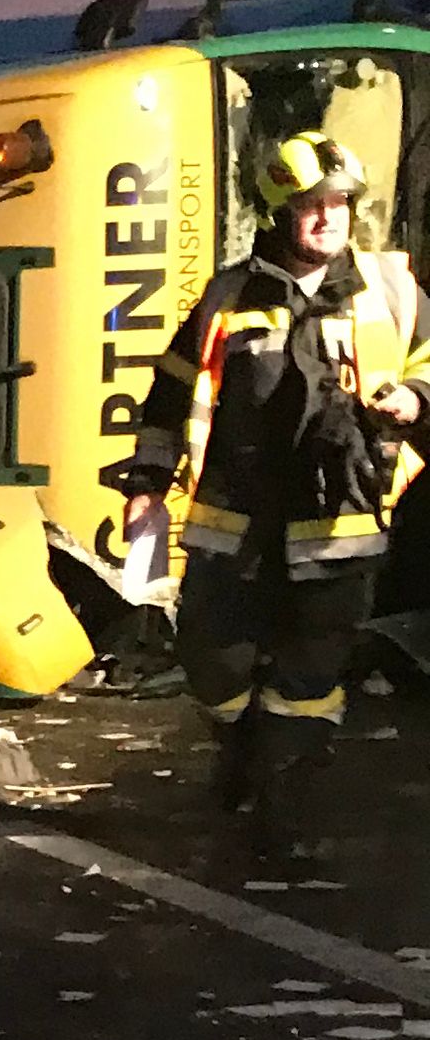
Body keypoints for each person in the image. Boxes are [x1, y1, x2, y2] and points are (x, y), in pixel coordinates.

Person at [109, 131, 429, 859]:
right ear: (279, 213)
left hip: (341, 525)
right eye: (312, 205)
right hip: (234, 524)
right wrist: (148, 484)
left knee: (307, 680)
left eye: (339, 203)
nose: (328, 217)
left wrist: (414, 396)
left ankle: (284, 809)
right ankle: (244, 750)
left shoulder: (390, 289)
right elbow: (170, 394)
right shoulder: (228, 296)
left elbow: (428, 360)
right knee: (214, 663)